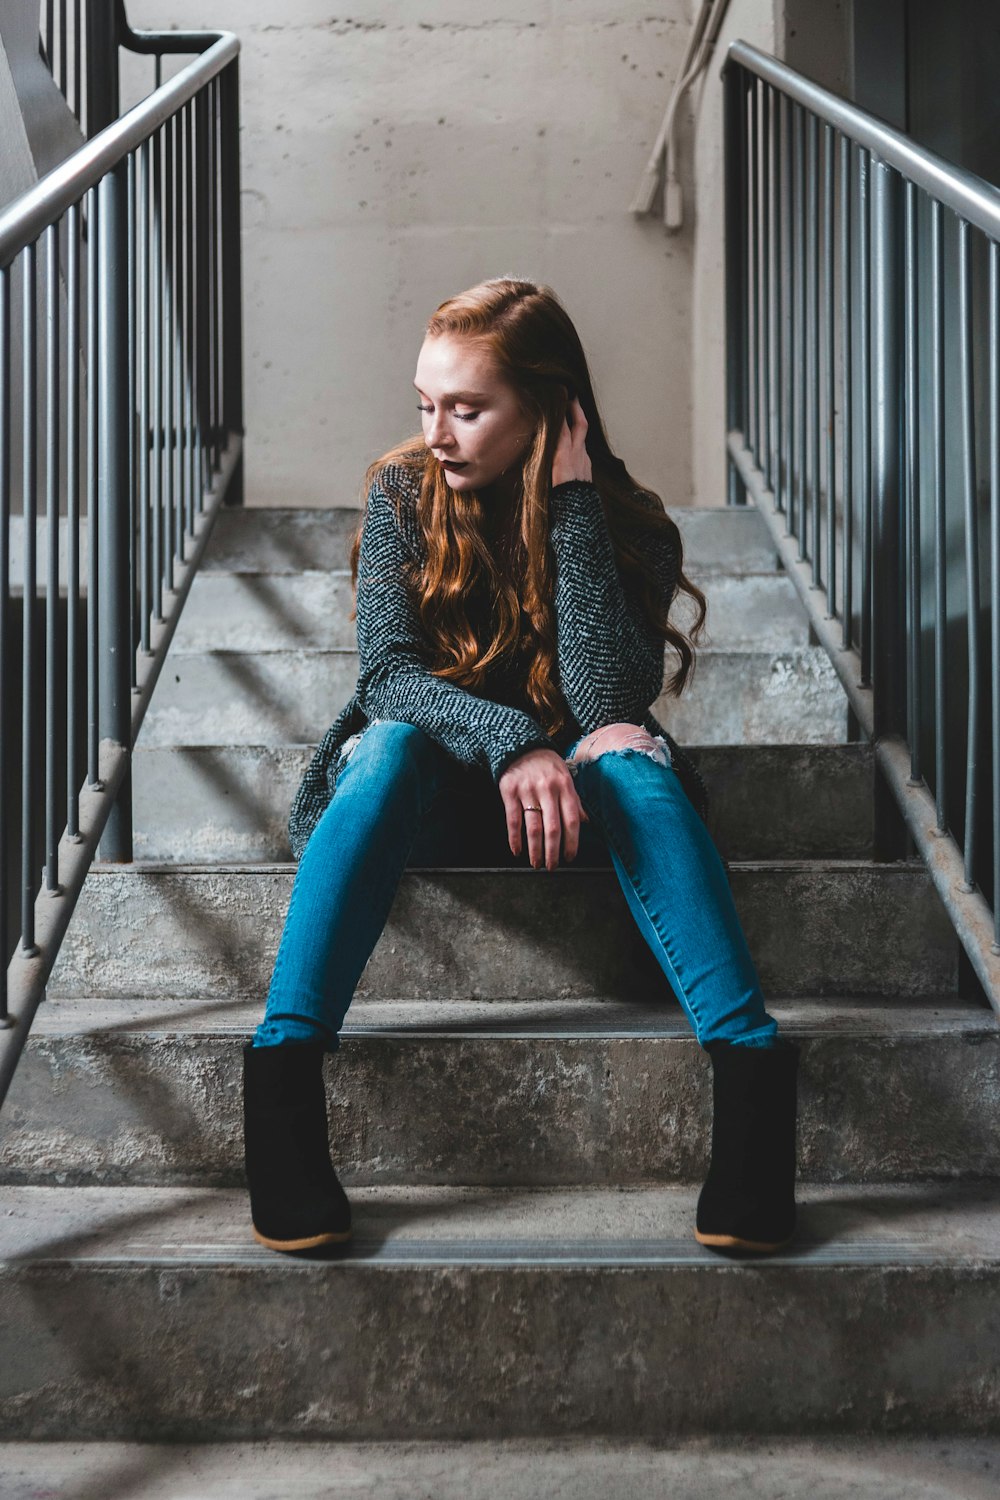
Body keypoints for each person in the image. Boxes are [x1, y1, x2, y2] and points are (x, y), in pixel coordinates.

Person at [242, 277, 799, 1259]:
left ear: (547, 406)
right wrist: (513, 743)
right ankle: (282, 1077)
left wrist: (576, 506)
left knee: (625, 752)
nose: (439, 431)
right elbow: (388, 678)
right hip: (421, 796)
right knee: (392, 741)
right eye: (426, 404)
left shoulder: (628, 523)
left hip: (573, 814)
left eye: (467, 407)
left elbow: (604, 699)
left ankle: (753, 1088)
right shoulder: (402, 493)